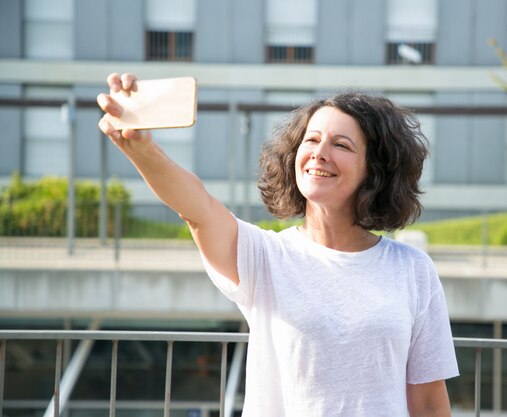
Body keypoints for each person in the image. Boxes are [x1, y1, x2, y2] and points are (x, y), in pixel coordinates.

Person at [97, 73, 459, 417]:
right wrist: (141, 149)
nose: (319, 153)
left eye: (341, 145)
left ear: (374, 171)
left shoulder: (413, 269)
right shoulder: (264, 256)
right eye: (311, 140)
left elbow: (428, 404)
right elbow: (198, 210)